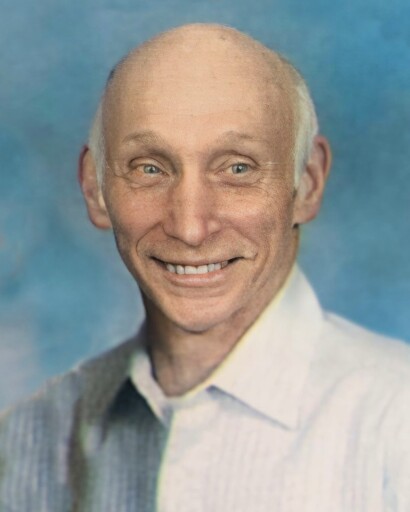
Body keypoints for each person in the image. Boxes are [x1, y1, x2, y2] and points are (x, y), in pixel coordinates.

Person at [0, 23, 409, 512]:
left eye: (237, 168)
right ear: (95, 188)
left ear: (308, 182)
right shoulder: (29, 438)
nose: (190, 227)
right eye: (150, 168)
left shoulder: (395, 423)